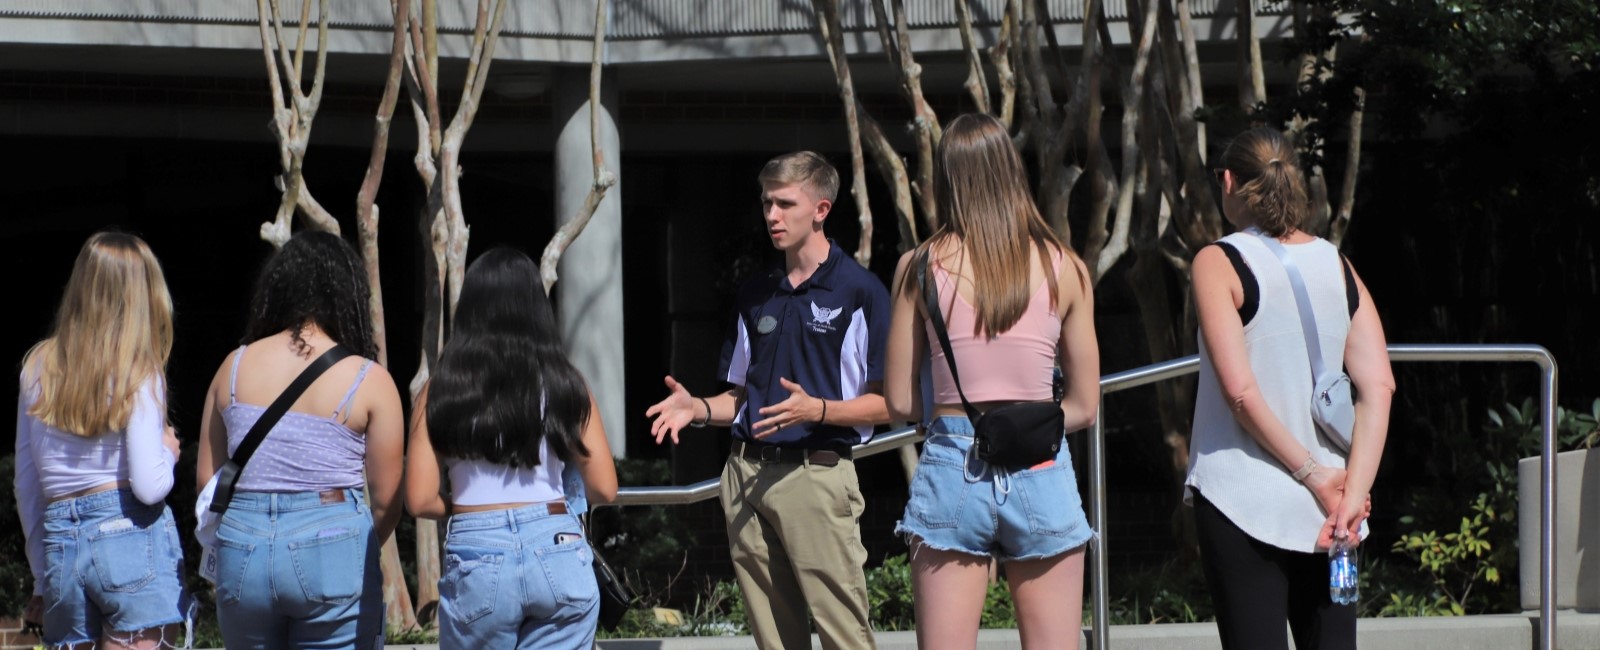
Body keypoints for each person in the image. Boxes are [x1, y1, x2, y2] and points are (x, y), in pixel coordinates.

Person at [645, 151, 889, 650]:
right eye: (766, 203)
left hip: (816, 476)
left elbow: (890, 405)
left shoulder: (861, 291)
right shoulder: (756, 292)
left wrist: (817, 410)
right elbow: (741, 397)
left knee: (845, 636)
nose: (771, 216)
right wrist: (697, 409)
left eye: (784, 203)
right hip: (745, 476)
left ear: (821, 209)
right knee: (774, 642)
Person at [883, 113, 1101, 650]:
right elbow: (1085, 405)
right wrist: (1024, 424)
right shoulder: (1064, 267)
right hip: (1041, 464)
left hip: (954, 464)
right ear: (1012, 171)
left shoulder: (918, 266)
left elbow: (899, 400)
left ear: (948, 180)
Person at [1185, 127, 1394, 650]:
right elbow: (1380, 384)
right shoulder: (1335, 262)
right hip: (1337, 515)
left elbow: (1240, 392)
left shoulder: (1218, 261)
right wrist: (1351, 493)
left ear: (1229, 180)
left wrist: (1311, 475)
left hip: (1242, 499)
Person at [196, 230, 404, 649]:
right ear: (348, 295)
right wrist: (342, 543)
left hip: (243, 548)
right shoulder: (369, 379)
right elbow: (386, 502)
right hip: (333, 545)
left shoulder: (232, 368)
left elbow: (208, 482)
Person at [405, 246, 618, 649]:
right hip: (557, 546)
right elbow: (606, 488)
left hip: (477, 557)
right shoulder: (565, 383)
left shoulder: (440, 391)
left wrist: (464, 508)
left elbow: (417, 500)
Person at [15, 231, 191, 649]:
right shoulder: (140, 366)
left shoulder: (37, 366)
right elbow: (149, 487)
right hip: (129, 533)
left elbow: (27, 485)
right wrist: (168, 454)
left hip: (63, 549)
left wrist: (41, 578)